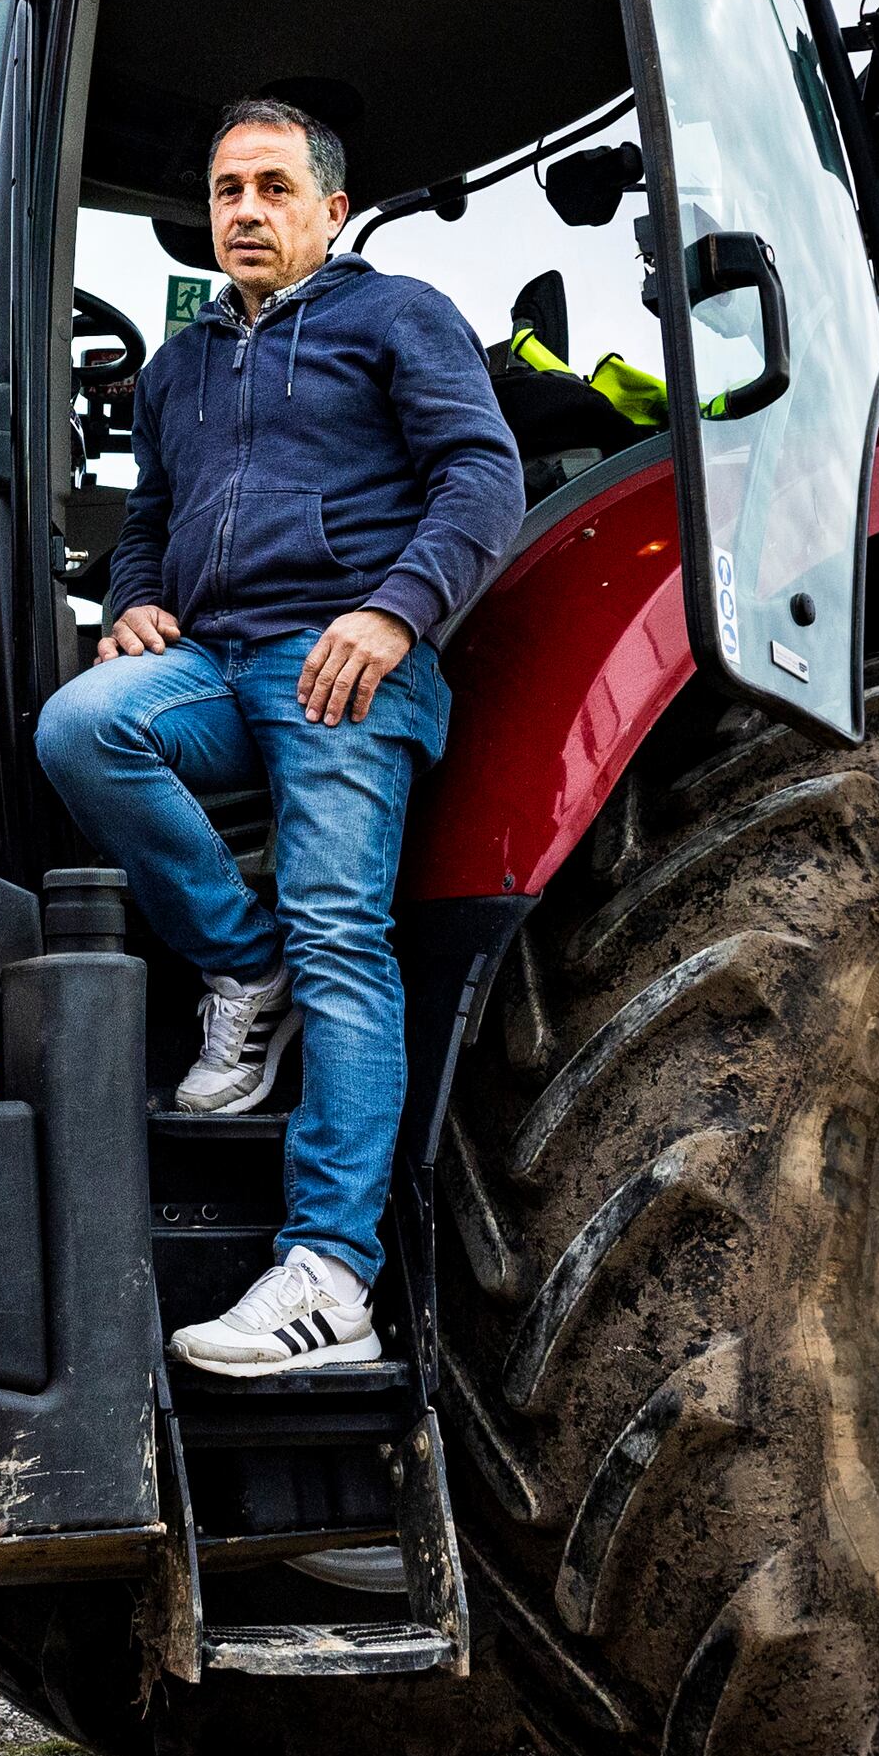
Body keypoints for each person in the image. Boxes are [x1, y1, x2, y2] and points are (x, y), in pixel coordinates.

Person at [34, 97, 524, 1375]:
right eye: (224, 191)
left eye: (270, 188)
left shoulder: (395, 318)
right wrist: (134, 598)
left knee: (342, 932)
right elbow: (149, 518)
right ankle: (243, 975)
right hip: (211, 661)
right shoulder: (178, 367)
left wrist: (390, 615)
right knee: (82, 728)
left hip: (344, 666)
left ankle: (328, 1277)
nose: (243, 211)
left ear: (329, 210)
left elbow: (481, 480)